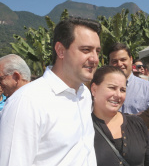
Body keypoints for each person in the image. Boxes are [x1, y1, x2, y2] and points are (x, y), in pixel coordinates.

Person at [0, 17, 101, 166]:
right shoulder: (27, 101)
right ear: (60, 50)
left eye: (97, 51)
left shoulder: (84, 95)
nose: (95, 58)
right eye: (86, 50)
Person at [91, 66, 149, 166]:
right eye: (112, 88)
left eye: (122, 90)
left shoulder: (137, 123)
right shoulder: (83, 127)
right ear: (94, 89)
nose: (118, 95)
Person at [108, 43, 149, 114]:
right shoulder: (103, 89)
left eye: (123, 59)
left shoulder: (148, 89)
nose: (119, 64)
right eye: (114, 61)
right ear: (109, 64)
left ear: (131, 60)